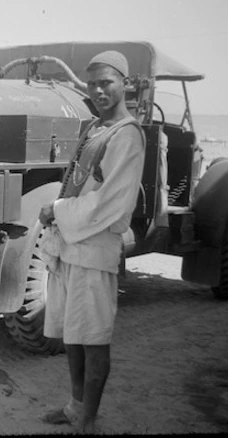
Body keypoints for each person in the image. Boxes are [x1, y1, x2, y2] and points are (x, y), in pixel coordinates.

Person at [37, 50, 146, 433]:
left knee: (94, 339)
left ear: (125, 84)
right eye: (93, 83)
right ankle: (74, 406)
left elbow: (114, 204)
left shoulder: (128, 135)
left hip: (96, 251)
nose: (99, 90)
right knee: (74, 336)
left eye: (107, 83)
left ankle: (88, 419)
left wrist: (57, 209)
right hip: (71, 246)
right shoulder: (94, 128)